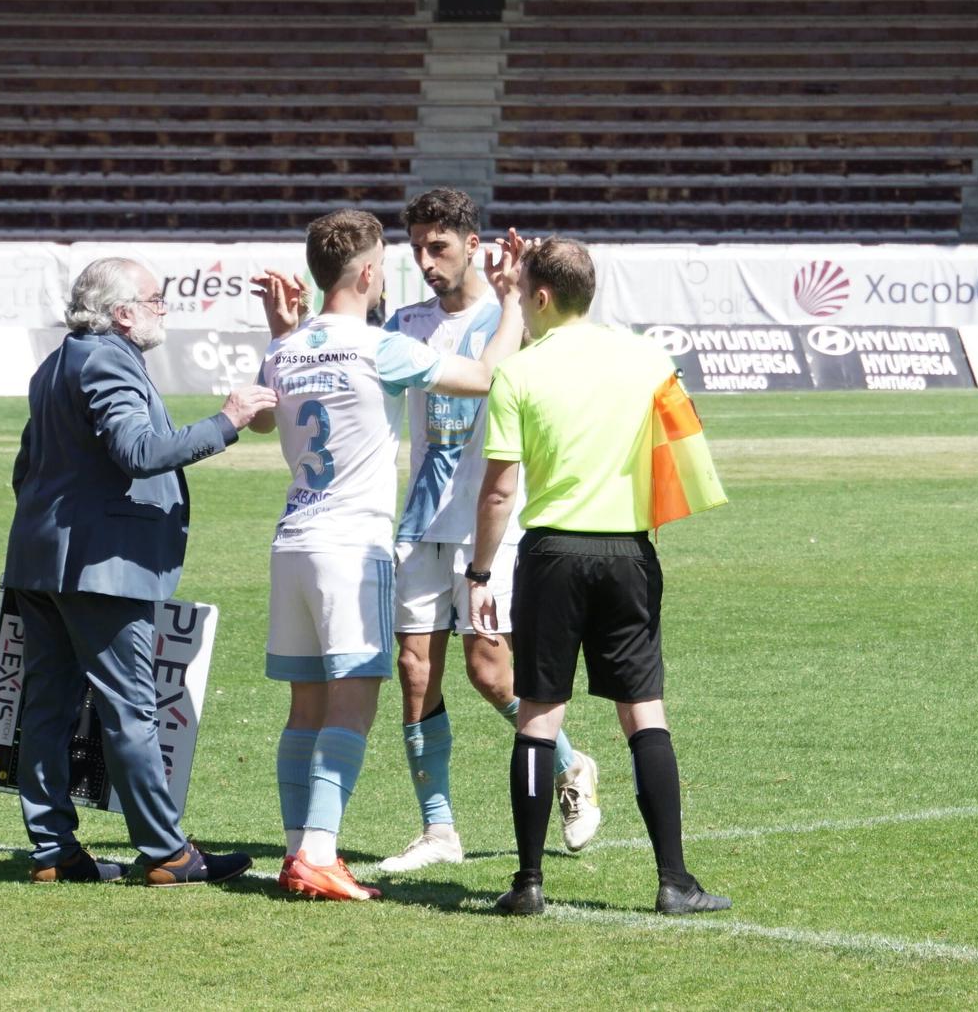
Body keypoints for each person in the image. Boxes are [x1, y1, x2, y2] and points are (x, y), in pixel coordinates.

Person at [249, 209, 526, 902]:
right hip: (354, 545)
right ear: (370, 272)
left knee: (303, 707)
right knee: (353, 704)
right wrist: (514, 298)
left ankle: (296, 852)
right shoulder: (384, 348)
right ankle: (319, 852)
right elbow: (488, 373)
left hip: (293, 542)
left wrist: (285, 329)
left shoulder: (284, 348)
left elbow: (258, 414)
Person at [469, 236, 730, 918]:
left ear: (543, 297)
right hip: (627, 552)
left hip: (553, 553)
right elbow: (681, 451)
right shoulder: (647, 359)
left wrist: (478, 570)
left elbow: (499, 492)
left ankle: (527, 882)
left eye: (524, 293)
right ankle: (674, 879)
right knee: (643, 711)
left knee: (538, 715)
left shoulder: (520, 372)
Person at [3, 257, 274, 886]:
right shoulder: (107, 359)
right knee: (131, 707)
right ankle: (165, 852)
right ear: (123, 312)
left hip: (43, 562)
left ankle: (52, 851)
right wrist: (226, 421)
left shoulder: (58, 361)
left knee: (46, 708)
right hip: (101, 568)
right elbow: (139, 452)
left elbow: (26, 467)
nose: (163, 311)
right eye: (156, 300)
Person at [378, 189, 600, 874]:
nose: (425, 259)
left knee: (488, 670)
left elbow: (531, 369)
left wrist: (516, 297)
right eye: (415, 246)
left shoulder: (515, 317)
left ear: (473, 245)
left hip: (488, 525)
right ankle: (438, 827)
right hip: (420, 520)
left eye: (438, 246)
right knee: (415, 671)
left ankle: (573, 764)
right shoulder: (407, 322)